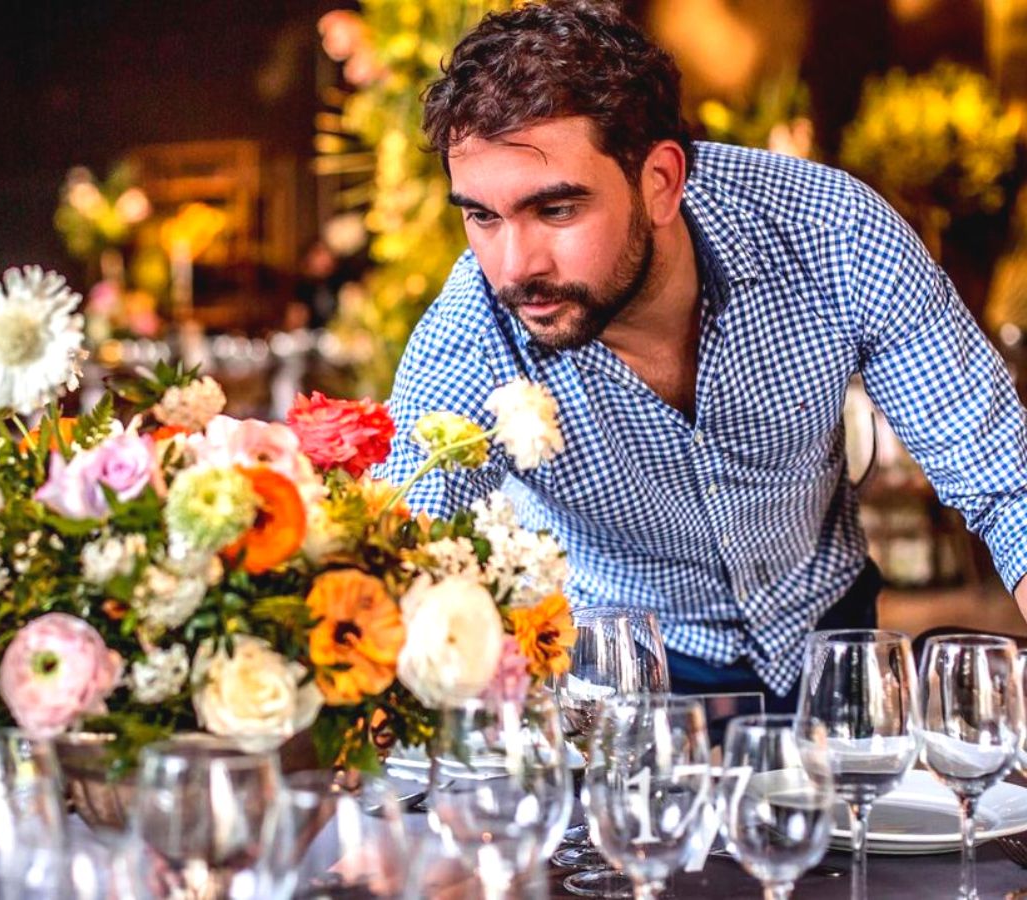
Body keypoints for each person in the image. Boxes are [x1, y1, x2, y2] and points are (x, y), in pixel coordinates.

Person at [371, 0, 1027, 711]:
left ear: (660, 181)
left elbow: (1006, 483)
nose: (513, 265)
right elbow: (405, 544)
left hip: (831, 645)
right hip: (617, 675)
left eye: (556, 210)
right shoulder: (474, 328)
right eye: (481, 216)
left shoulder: (832, 233)